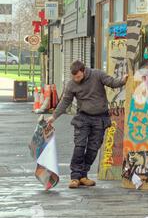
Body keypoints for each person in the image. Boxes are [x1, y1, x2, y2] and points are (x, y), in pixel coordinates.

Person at [47, 61, 128, 189]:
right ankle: (75, 177)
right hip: (83, 118)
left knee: (93, 148)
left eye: (78, 77)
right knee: (79, 146)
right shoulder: (71, 84)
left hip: (100, 118)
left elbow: (112, 82)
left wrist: (123, 80)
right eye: (74, 77)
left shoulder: (97, 75)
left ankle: (83, 176)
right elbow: (65, 101)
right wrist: (54, 117)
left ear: (84, 71)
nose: (76, 79)